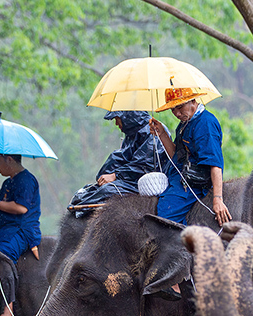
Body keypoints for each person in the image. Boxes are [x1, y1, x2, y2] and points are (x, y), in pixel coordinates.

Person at [149, 87, 231, 227]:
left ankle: (184, 246)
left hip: (192, 185)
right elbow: (177, 155)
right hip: (177, 178)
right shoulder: (185, 123)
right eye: (173, 109)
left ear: (192, 101)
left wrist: (218, 199)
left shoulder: (205, 124)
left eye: (180, 107)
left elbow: (215, 162)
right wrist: (161, 133)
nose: (177, 113)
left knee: (165, 216)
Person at [0, 154, 41, 316]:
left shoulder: (26, 180)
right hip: (3, 228)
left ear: (9, 159)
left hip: (22, 230)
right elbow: (0, 197)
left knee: (2, 255)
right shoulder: (9, 181)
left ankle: (8, 309)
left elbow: (21, 208)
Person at [69, 110, 162, 215]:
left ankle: (82, 211)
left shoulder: (151, 131)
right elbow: (122, 157)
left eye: (117, 119)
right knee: (88, 190)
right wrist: (105, 173)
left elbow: (144, 166)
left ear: (127, 117)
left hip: (145, 183)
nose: (116, 123)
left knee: (107, 190)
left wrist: (115, 175)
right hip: (129, 179)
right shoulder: (133, 134)